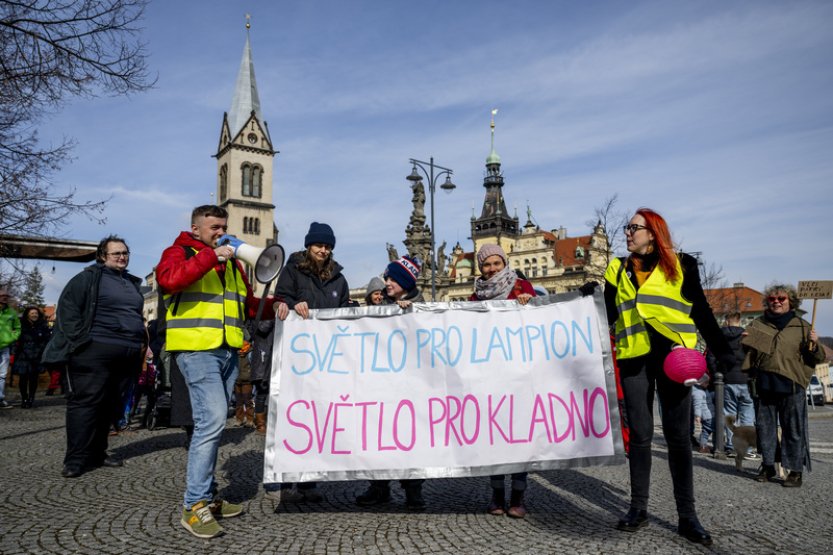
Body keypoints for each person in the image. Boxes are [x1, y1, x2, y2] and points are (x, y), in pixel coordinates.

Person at [604, 208, 734, 547]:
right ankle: (638, 509)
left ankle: (688, 516)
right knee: (642, 437)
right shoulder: (616, 268)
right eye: (626, 228)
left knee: (678, 437)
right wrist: (591, 292)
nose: (627, 233)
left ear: (653, 232)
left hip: (675, 359)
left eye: (634, 228)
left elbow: (701, 310)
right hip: (634, 359)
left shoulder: (681, 264)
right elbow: (604, 313)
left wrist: (724, 352)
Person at [156, 204, 274, 539]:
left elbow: (247, 304)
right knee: (211, 420)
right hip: (196, 350)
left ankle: (208, 497)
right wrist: (212, 256)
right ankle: (193, 505)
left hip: (226, 350)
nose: (220, 231)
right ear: (195, 229)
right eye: (213, 228)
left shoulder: (233, 264)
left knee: (213, 422)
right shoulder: (178, 252)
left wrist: (277, 302)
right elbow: (169, 280)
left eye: (223, 226)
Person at [41, 235, 145, 477]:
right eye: (116, 253)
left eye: (125, 253)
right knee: (85, 404)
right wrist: (83, 343)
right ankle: (76, 459)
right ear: (102, 256)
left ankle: (98, 453)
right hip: (93, 352)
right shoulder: (88, 278)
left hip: (126, 353)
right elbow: (68, 311)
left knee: (110, 405)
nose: (122, 256)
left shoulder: (131, 282)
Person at [273, 222, 350, 503]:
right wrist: (292, 306)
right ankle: (287, 478)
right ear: (309, 245)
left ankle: (310, 480)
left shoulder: (339, 279)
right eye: (319, 245)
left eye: (328, 246)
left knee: (320, 419)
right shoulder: (293, 269)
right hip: (298, 358)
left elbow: (344, 312)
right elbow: (280, 300)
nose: (323, 250)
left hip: (328, 360)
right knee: (294, 416)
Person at [468, 244, 536, 518]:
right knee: (494, 438)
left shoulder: (521, 286)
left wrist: (529, 302)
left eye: (497, 263)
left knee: (519, 437)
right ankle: (497, 495)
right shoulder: (475, 295)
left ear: (504, 263)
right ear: (480, 268)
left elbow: (540, 316)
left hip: (519, 374)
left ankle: (518, 497)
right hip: (490, 375)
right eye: (487, 265)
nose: (492, 269)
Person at [355, 255, 428, 511]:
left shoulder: (423, 307)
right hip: (382, 385)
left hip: (412, 386)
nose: (386, 283)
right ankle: (379, 487)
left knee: (411, 440)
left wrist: (412, 314)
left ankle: (413, 490)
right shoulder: (380, 307)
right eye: (386, 278)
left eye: (391, 279)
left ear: (405, 282)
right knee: (379, 438)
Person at [743, 283, 824, 487]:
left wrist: (815, 344)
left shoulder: (803, 326)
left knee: (793, 429)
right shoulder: (757, 324)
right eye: (772, 299)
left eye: (781, 299)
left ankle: (795, 471)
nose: (776, 302)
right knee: (765, 429)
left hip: (792, 384)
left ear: (791, 301)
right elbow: (747, 355)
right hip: (764, 384)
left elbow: (817, 357)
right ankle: (768, 465)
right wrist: (742, 342)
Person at [707, 311, 754, 456]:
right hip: (746, 380)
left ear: (726, 321)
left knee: (729, 414)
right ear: (740, 321)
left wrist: (717, 373)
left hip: (726, 380)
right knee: (747, 415)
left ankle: (731, 445)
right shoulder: (747, 336)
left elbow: (710, 358)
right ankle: (748, 448)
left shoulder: (718, 337)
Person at [13, 306, 51, 408]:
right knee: (23, 378)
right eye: (32, 313)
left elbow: (47, 339)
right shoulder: (20, 325)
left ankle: (31, 398)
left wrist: (41, 351)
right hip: (23, 355)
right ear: (27, 314)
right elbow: (16, 339)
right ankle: (24, 398)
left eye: (36, 313)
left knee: (34, 378)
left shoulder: (42, 326)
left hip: (37, 355)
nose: (34, 315)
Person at [0, 289, 22, 409]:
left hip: (4, 347)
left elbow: (18, 327)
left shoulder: (11, 312)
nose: (5, 297)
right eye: (2, 295)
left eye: (6, 296)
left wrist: (12, 337)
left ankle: (0, 399)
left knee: (2, 375)